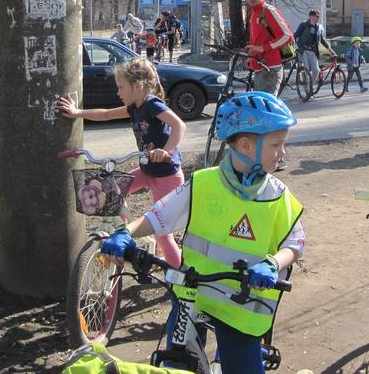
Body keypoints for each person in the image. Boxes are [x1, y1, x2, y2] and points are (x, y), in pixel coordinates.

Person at [99, 91, 305, 374]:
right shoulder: (203, 183)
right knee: (174, 363)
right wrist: (125, 233)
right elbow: (158, 216)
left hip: (241, 308)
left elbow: (295, 243)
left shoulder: (277, 196)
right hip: (191, 296)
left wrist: (273, 264)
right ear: (246, 145)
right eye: (276, 145)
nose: (282, 152)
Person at [56, 58, 186, 268]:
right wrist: (77, 113)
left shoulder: (152, 104)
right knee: (109, 191)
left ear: (138, 86)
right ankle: (124, 231)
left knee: (162, 232)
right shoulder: (134, 107)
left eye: (121, 87)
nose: (118, 92)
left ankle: (180, 275)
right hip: (148, 171)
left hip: (167, 176)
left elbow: (179, 126)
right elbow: (106, 114)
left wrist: (166, 150)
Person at [244, 0, 293, 96]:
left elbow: (287, 36)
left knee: (266, 109)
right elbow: (257, 41)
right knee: (260, 109)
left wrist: (264, 48)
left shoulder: (268, 11)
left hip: (271, 68)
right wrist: (251, 58)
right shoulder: (253, 13)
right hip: (260, 67)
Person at [294, 9, 336, 90]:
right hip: (303, 50)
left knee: (316, 71)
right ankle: (307, 90)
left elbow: (322, 40)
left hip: (313, 51)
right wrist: (294, 45)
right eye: (316, 16)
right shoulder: (303, 25)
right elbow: (295, 35)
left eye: (319, 17)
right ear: (311, 16)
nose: (318, 18)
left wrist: (330, 50)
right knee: (306, 69)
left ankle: (310, 86)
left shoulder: (319, 27)